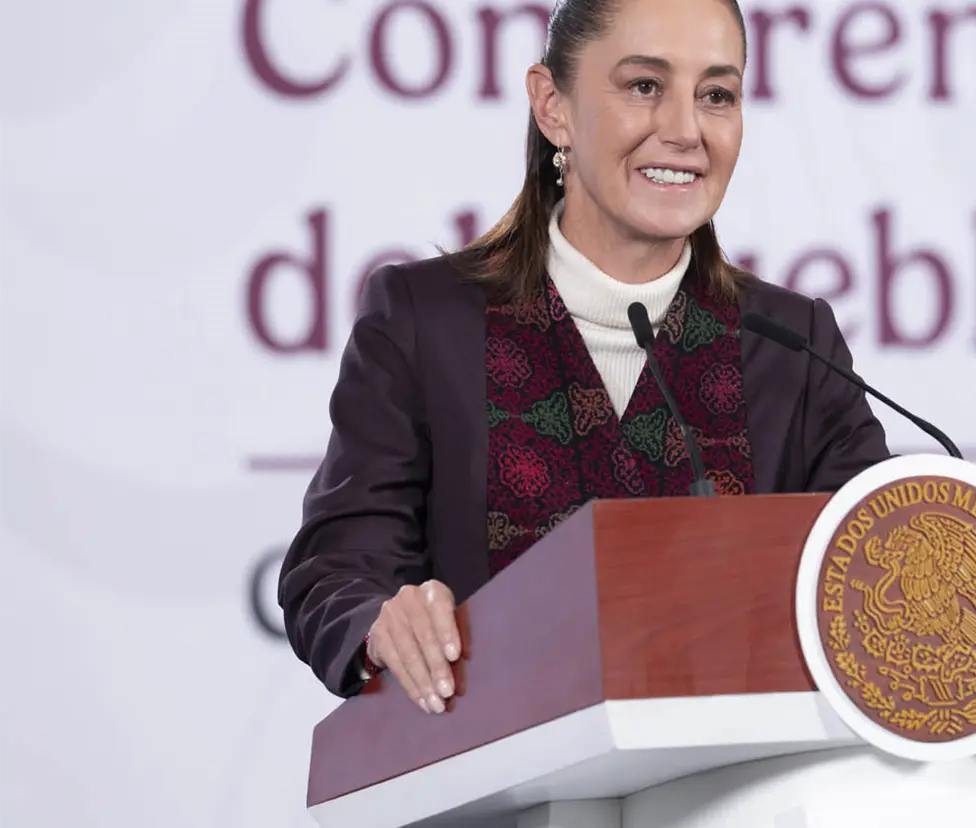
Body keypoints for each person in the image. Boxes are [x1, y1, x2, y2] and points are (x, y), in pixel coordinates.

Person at [277, 0, 892, 715]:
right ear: (552, 106)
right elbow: (339, 569)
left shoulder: (792, 344)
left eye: (716, 95)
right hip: (496, 772)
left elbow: (879, 570)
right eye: (644, 86)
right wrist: (384, 622)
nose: (685, 130)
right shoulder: (424, 321)